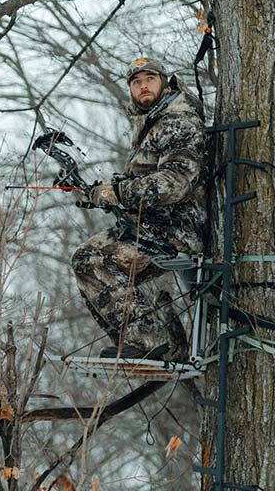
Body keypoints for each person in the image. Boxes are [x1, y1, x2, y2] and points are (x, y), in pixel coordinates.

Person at [71, 58, 206, 361]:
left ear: (164, 82)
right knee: (86, 262)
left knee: (91, 260)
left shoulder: (177, 122)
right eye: (136, 82)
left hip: (175, 230)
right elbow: (140, 179)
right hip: (152, 227)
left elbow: (174, 182)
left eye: (150, 78)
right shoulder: (151, 123)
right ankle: (154, 341)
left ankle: (149, 339)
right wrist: (103, 192)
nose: (143, 85)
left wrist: (118, 193)